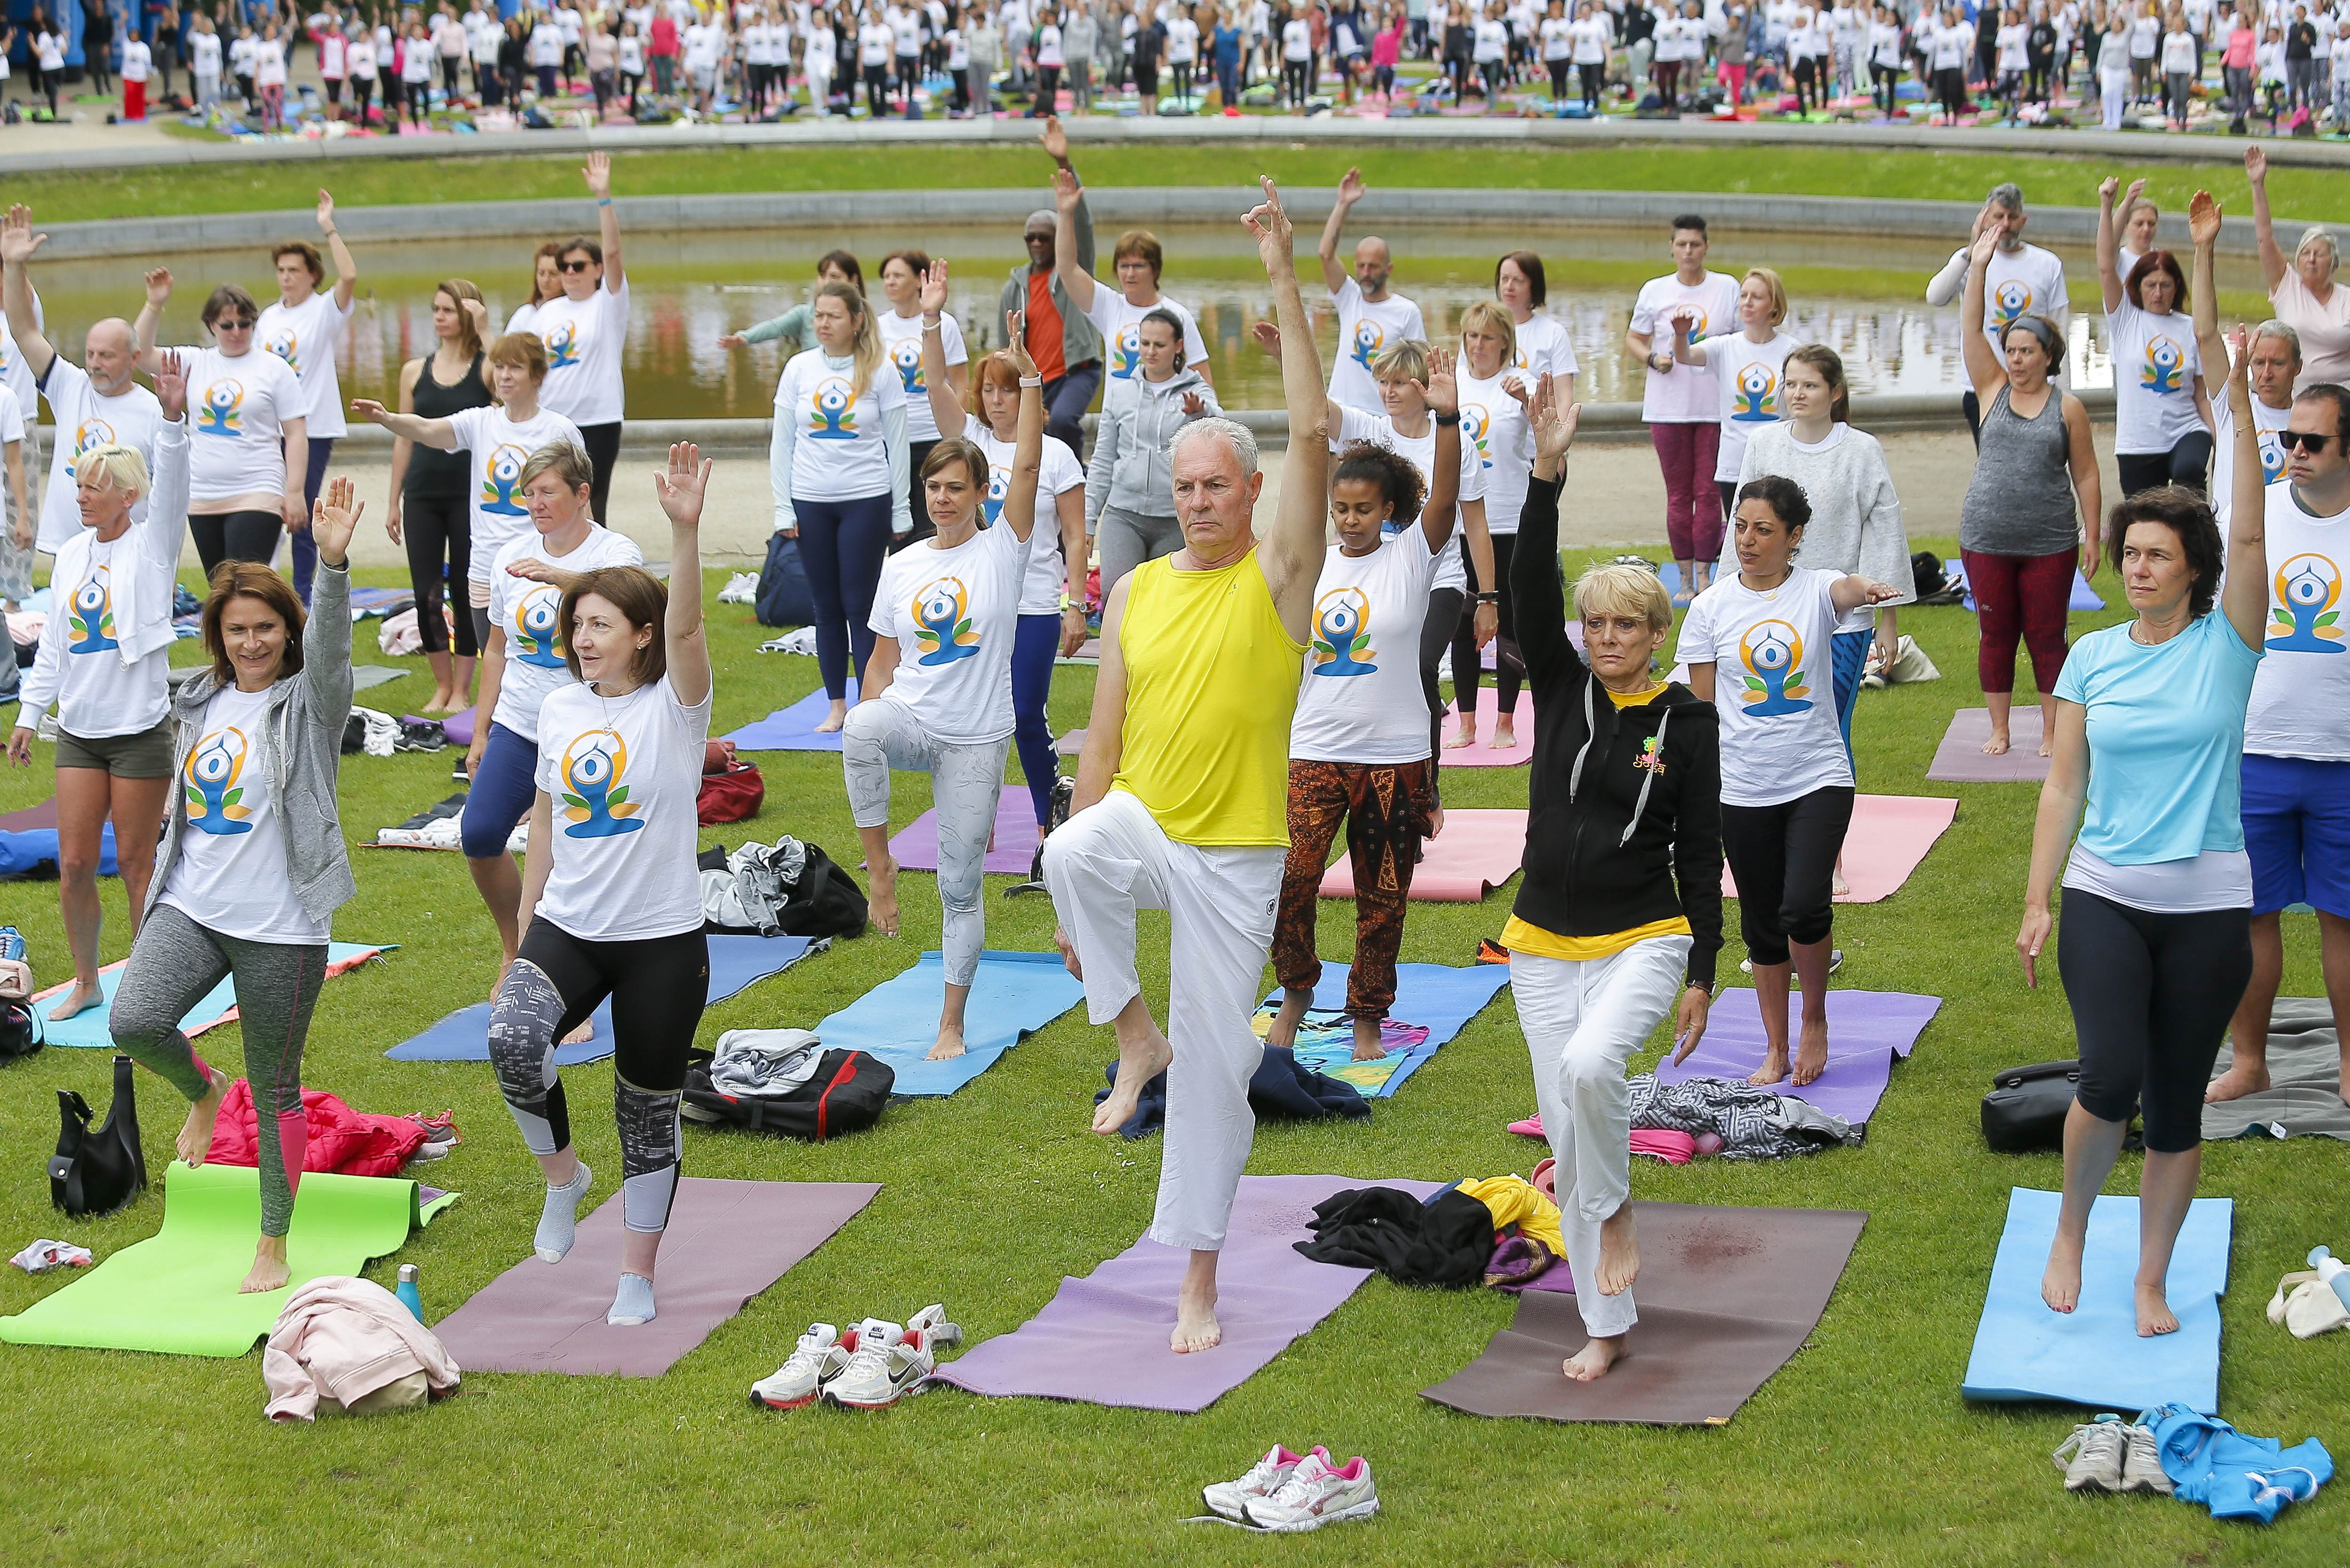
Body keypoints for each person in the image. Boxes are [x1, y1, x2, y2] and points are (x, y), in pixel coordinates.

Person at [1042, 177, 1328, 1356]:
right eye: (1185, 488)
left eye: (1217, 486)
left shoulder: (1275, 580)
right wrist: (1080, 892)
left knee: (1220, 1076)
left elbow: (1314, 432)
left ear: (1250, 496)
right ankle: (1131, 1034)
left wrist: (1277, 275)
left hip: (1237, 857)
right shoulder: (1143, 589)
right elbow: (1100, 742)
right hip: (1148, 820)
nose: (1199, 500)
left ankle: (1197, 1277)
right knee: (1066, 844)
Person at [2019, 336, 2269, 1339]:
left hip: (2209, 903)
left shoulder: (2228, 645)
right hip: (2107, 896)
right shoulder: (2091, 657)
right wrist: (2038, 901)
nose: (2138, 567)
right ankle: (2073, 1227)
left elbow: (2251, 542)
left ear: (2195, 570)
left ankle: (2151, 1278)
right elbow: (2061, 785)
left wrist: (2241, 406)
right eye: (2129, 554)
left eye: (2158, 554)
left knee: (2174, 1105)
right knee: (2107, 1074)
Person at [1509, 374, 1721, 1383]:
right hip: (1539, 941)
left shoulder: (1686, 722)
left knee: (1595, 1074)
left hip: (1646, 933)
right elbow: (1526, 588)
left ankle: (1620, 1205)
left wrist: (1702, 972)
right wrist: (1547, 469)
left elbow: (1701, 845)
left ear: (1656, 632)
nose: (1604, 640)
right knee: (1564, 1119)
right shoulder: (1561, 690)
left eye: (1624, 627)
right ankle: (1606, 1321)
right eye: (1594, 625)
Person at [108, 472, 362, 1297]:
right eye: (237, 630)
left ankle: (272, 1242)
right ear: (219, 637)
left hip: (281, 924)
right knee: (135, 1019)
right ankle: (206, 1089)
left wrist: (330, 567)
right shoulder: (199, 699)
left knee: (280, 1084)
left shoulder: (309, 706)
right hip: (191, 905)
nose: (252, 642)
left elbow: (331, 650)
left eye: (265, 629)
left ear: (286, 634)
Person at [487, 443, 715, 1329]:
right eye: (574, 625)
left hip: (661, 937)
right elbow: (544, 818)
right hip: (570, 926)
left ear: (641, 634)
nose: (582, 639)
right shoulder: (559, 706)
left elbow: (693, 631)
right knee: (511, 1039)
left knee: (645, 1107)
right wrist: (527, 924)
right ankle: (564, 1179)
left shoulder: (677, 706)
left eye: (600, 625)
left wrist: (684, 532)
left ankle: (636, 1272)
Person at [850, 326, 1047, 1062]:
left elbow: (1027, 463)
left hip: (976, 737)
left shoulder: (1003, 546)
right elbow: (879, 661)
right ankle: (880, 869)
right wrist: (872, 710)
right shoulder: (900, 566)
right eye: (932, 487)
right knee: (860, 727)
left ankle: (951, 1023)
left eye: (955, 487)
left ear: (980, 494)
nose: (941, 498)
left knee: (961, 889)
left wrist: (1028, 384)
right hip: (912, 719)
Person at [1265, 353, 1464, 1063]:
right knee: (1290, 878)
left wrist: (1447, 415)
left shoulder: (1412, 557)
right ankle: (1295, 990)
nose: (1348, 520)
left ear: (1388, 510)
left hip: (1393, 758)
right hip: (1312, 748)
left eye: (1362, 508)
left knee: (1383, 898)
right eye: (1340, 507)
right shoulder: (1307, 564)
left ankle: (1367, 1015)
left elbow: (1445, 495)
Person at [1678, 475, 1901, 1087]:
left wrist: (1870, 588)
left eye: (1765, 530)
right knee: (1761, 922)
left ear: (1794, 536)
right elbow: (1700, 711)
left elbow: (1846, 587)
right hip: (1742, 788)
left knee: (1804, 903)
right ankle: (1775, 1046)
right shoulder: (1709, 608)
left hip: (1817, 776)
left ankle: (1815, 1019)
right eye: (1741, 527)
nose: (1748, 541)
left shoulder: (1815, 591)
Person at [6, 352, 193, 1024]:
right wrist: (30, 713)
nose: (81, 495)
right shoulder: (73, 553)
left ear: (127, 495)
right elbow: (54, 643)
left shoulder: (152, 546)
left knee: (141, 865)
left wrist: (172, 419)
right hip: (81, 733)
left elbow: (173, 489)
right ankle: (86, 979)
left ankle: (147, 990)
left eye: (93, 487)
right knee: (76, 863)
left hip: (140, 731)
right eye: (79, 484)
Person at [917, 261, 1088, 865]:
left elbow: (1075, 536)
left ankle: (1051, 818)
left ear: (1026, 394)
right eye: (988, 390)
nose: (995, 401)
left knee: (1022, 712)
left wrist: (1076, 605)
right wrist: (932, 318)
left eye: (1007, 389)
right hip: (978, 604)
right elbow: (934, 384)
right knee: (970, 712)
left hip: (1037, 604)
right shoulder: (970, 444)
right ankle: (975, 815)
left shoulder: (1057, 455)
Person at [1723, 344, 1913, 762]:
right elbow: (1743, 526)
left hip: (1843, 619)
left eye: (1810, 385)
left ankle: (1830, 820)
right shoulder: (1762, 443)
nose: (1798, 393)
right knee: (1770, 724)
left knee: (1830, 728)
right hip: (1769, 614)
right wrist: (1726, 601)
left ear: (1836, 392)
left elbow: (1884, 533)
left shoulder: (1862, 450)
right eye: (1790, 384)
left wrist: (1888, 621)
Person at [1958, 218, 2103, 758]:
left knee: (2046, 638)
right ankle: (1999, 729)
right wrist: (1978, 268)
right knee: (1995, 636)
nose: (2016, 359)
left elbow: (2085, 473)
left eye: (2026, 351)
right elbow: (1971, 330)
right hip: (1985, 537)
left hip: (2049, 542)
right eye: (2011, 350)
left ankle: (2049, 731)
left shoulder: (2067, 408)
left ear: (2047, 356)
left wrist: (2092, 534)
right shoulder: (1990, 387)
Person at [771, 278, 911, 734]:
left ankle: (870, 701)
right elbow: (782, 442)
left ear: (855, 321)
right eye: (818, 316)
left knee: (860, 606)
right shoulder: (797, 369)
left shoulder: (878, 368)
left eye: (833, 316)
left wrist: (901, 509)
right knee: (825, 608)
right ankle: (836, 706)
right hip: (811, 501)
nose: (823, 324)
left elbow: (898, 442)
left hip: (865, 501)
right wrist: (782, 509)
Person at [1, 206, 165, 565]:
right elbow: (24, 330)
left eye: (106, 356)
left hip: (129, 552)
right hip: (69, 547)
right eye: (90, 354)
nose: (94, 364)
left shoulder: (154, 410)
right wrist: (12, 266)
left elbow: (167, 494)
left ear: (134, 359)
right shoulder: (69, 385)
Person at [132, 270, 308, 578]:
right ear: (212, 325)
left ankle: (281, 626)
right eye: (227, 325)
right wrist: (154, 305)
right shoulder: (194, 362)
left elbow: (295, 433)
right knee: (221, 588)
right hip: (203, 493)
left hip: (258, 487)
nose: (237, 331)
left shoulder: (275, 369)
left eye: (245, 324)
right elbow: (140, 354)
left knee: (247, 582)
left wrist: (294, 492)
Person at [384, 280, 495, 715]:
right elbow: (404, 439)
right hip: (423, 495)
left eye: (450, 309)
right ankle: (442, 685)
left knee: (468, 590)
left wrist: (485, 330)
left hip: (471, 498)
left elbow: (513, 392)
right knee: (426, 593)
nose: (440, 317)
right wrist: (394, 499)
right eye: (435, 309)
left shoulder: (488, 369)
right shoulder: (415, 370)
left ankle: (464, 689)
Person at [1625, 213, 1740, 606]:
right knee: (1678, 494)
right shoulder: (1655, 291)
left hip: (1714, 405)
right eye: (1682, 245)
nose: (1689, 251)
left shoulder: (1726, 288)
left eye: (1696, 244)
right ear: (1672, 248)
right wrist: (1652, 358)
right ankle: (1686, 579)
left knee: (1708, 492)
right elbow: (1634, 338)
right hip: (1668, 407)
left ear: (1707, 247)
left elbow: (1743, 341)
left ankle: (1707, 577)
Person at [1048, 156, 1214, 424]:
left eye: (1139, 266)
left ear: (1155, 270)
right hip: (1119, 424)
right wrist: (1065, 215)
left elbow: (1204, 383)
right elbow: (1067, 267)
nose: (1130, 274)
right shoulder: (1108, 305)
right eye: (1124, 266)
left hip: (1164, 425)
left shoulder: (1177, 315)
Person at [256, 190, 361, 606]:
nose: (286, 277)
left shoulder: (323, 311)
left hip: (313, 426)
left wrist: (329, 227)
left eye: (295, 270)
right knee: (269, 509)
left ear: (312, 275)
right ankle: (265, 587)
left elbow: (350, 277)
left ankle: (301, 598)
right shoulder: (266, 317)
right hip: (269, 429)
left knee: (303, 515)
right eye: (281, 270)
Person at [1087, 309, 1222, 595]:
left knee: (1167, 600)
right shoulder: (1119, 393)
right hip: (1123, 514)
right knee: (1117, 597)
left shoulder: (1195, 389)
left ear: (1178, 347)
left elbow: (1219, 426)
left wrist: (1200, 414)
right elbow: (1102, 461)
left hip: (1173, 516)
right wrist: (1088, 521)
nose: (1150, 352)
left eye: (1159, 345)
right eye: (1144, 343)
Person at [1925, 182, 2071, 443]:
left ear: (2023, 221)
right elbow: (1935, 297)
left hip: (2035, 385)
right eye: (1998, 216)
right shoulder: (1969, 261)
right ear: (1984, 218)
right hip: (1983, 387)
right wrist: (1972, 250)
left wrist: (2064, 394)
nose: (2005, 225)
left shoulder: (2047, 264)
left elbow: (2060, 332)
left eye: (2012, 217)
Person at [1449, 303, 1533, 752]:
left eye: (1486, 337)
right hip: (1460, 525)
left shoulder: (1522, 385)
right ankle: (1466, 722)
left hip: (1508, 519)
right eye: (1471, 337)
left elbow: (1548, 447)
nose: (1477, 346)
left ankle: (1505, 721)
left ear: (1504, 340)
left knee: (1508, 622)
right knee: (1462, 624)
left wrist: (1529, 405)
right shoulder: (1453, 386)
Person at [2098, 175, 2214, 499]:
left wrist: (2221, 437)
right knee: (2144, 518)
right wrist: (2109, 206)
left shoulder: (2190, 326)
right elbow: (2107, 265)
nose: (2158, 293)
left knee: (2189, 474)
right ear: (2138, 287)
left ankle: (2198, 539)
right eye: (2150, 286)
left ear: (2177, 287)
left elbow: (2202, 394)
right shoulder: (2125, 318)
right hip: (2138, 440)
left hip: (2186, 429)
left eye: (2165, 285)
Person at [529, 155, 629, 525]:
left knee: (591, 503)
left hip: (598, 419)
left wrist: (604, 197)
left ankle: (598, 579)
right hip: (553, 419)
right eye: (564, 267)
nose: (570, 273)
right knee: (549, 501)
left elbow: (615, 252)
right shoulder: (548, 312)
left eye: (579, 266)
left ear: (597, 270)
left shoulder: (608, 304)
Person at [998, 121, 1104, 462]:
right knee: (1032, 433)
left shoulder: (1073, 272)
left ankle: (1077, 472)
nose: (1039, 243)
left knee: (1060, 420)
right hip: (1036, 378)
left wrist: (1063, 164)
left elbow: (1083, 231)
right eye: (1032, 237)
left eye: (1046, 236)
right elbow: (1007, 344)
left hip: (1077, 370)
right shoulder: (1014, 288)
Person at [2188, 203, 2295, 529]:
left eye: (2278, 363)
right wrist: (2204, 248)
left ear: (2298, 367)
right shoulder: (2233, 406)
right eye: (2258, 362)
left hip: (2286, 538)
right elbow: (2206, 333)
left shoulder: (2311, 420)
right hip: (2231, 541)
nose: (2266, 373)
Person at [1676, 265, 1800, 529]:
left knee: (1779, 531)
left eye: (1757, 297)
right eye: (1743, 296)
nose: (1747, 303)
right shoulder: (1725, 346)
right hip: (1734, 462)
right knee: (1742, 534)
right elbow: (1684, 355)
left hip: (1779, 457)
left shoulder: (1793, 350)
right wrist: (1680, 334)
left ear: (1774, 305)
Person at [875, 248, 968, 550]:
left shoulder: (945, 324)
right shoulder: (876, 328)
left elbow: (960, 384)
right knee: (897, 529)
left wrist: (957, 437)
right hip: (891, 440)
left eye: (898, 275)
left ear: (920, 281)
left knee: (933, 523)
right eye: (886, 277)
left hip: (933, 437)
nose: (890, 282)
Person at [1318, 167, 1427, 422]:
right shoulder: (1349, 298)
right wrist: (1343, 204)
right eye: (1361, 266)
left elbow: (1419, 369)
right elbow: (1326, 254)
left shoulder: (1407, 311)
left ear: (1388, 269)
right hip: (1342, 412)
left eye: (1373, 266)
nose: (1366, 273)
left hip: (1382, 417)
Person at [2245, 146, 2350, 394]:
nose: (2312, 259)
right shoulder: (2287, 286)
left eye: (2320, 254)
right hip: (2293, 398)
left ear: (2333, 263)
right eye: (2305, 253)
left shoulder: (2347, 298)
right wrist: (2258, 185)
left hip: (2342, 400)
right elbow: (2265, 237)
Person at [719, 251, 864, 359]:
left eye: (834, 277)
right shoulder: (805, 313)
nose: (826, 282)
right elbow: (775, 326)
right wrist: (745, 337)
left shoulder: (867, 318)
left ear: (853, 280)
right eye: (822, 276)